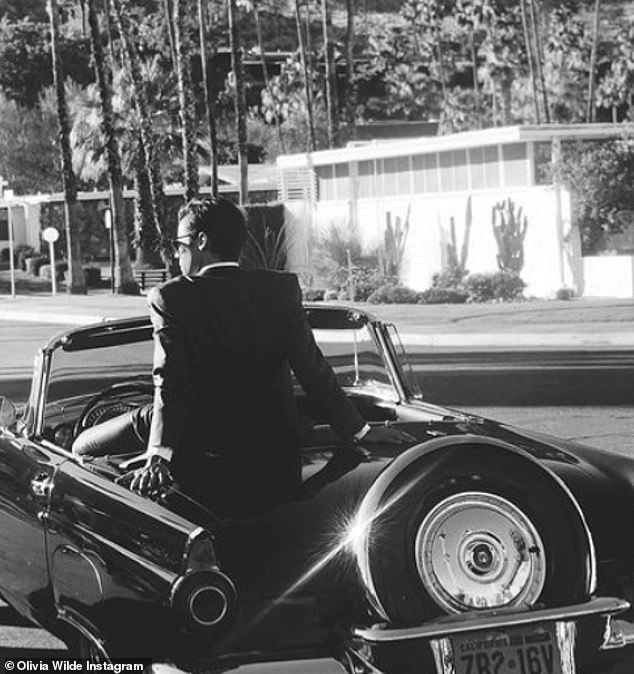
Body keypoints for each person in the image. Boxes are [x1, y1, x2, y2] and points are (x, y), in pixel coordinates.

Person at [77, 197, 413, 509]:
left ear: (201, 242)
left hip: (199, 453)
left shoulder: (171, 297)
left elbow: (171, 382)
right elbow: (312, 369)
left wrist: (158, 455)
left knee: (81, 447)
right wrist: (361, 431)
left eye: (180, 245)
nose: (177, 255)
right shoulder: (280, 289)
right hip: (276, 457)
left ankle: (72, 449)